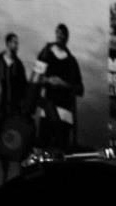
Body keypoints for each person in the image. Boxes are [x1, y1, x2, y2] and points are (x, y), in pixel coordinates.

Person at [35, 22, 84, 151]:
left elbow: (80, 89)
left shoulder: (72, 62)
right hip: (48, 111)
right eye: (58, 33)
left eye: (63, 34)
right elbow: (36, 78)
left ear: (67, 37)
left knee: (61, 153)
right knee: (43, 149)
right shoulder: (45, 54)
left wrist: (63, 84)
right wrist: (48, 80)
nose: (60, 36)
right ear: (56, 34)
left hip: (65, 115)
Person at [0, 31, 30, 131]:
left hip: (13, 111)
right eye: (15, 43)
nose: (17, 46)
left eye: (17, 43)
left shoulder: (19, 65)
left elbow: (23, 87)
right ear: (8, 43)